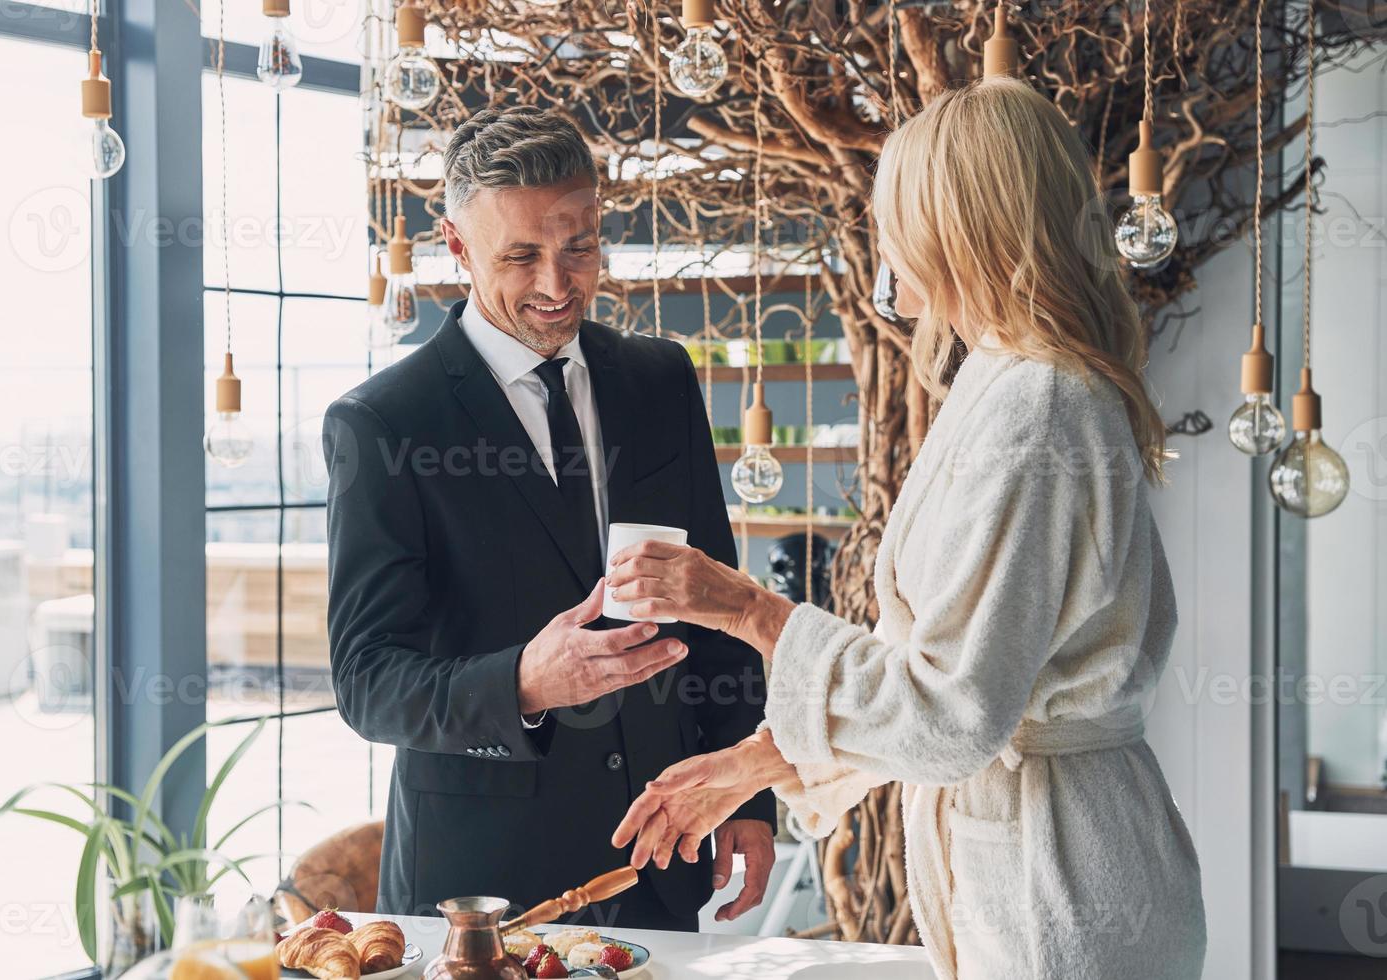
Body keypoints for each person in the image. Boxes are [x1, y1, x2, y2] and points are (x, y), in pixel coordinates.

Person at [607, 78, 1207, 978]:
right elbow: (935, 677)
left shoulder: (1038, 405)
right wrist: (756, 762)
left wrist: (745, 610)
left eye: (896, 215)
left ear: (962, 224)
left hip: (1061, 893)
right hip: (1035, 863)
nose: (882, 242)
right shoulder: (998, 380)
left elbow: (954, 713)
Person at [322, 105, 775, 932]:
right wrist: (525, 680)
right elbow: (365, 682)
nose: (556, 286)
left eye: (579, 249)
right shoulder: (384, 422)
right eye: (521, 256)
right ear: (457, 248)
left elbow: (714, 598)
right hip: (480, 887)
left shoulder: (659, 379)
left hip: (656, 853)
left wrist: (746, 783)